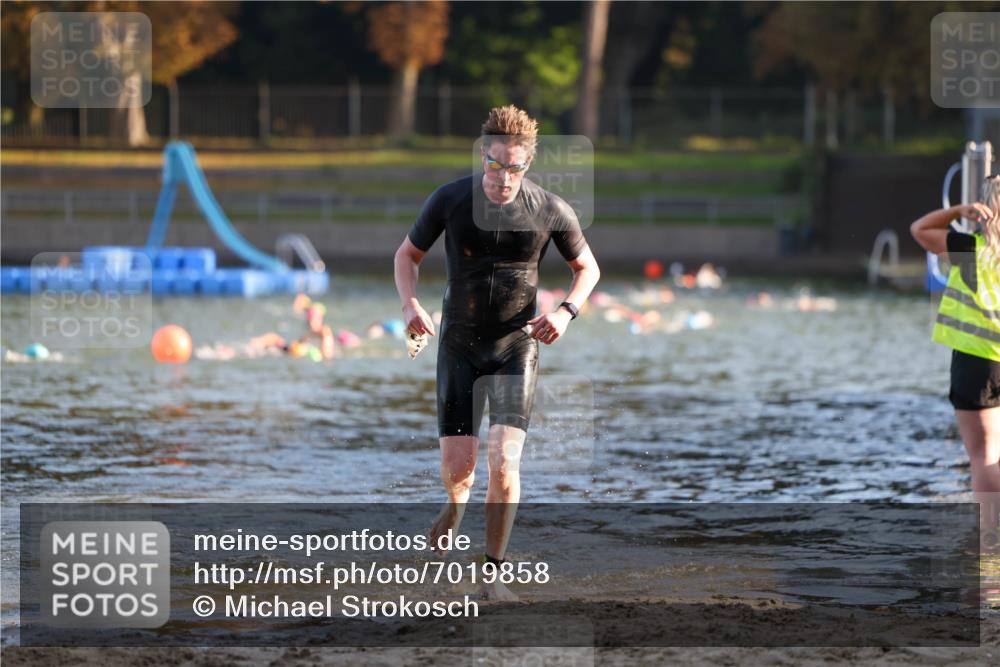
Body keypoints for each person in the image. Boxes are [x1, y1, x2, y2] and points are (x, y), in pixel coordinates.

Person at [393, 105, 601, 598]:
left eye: (515, 168)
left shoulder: (550, 209)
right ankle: (454, 505)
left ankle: (492, 574)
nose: (503, 177)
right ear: (482, 156)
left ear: (527, 166)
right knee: (459, 471)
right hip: (459, 346)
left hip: (516, 347)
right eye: (495, 165)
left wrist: (566, 312)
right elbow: (408, 256)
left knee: (505, 462)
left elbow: (587, 268)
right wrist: (409, 306)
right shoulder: (450, 200)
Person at [911, 176, 1000, 553]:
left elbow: (920, 229)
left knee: (983, 454)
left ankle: (992, 538)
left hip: (977, 363)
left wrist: (957, 212)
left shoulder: (968, 249)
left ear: (985, 211)